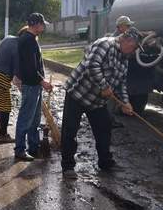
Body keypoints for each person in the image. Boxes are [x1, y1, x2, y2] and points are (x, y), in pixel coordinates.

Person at [60, 27, 142, 179]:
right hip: (78, 94)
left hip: (97, 102)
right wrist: (104, 86)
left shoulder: (125, 59)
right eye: (135, 46)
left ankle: (105, 162)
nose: (134, 50)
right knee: (70, 131)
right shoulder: (105, 44)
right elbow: (92, 65)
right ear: (126, 40)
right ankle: (68, 166)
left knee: (104, 128)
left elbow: (121, 83)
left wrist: (125, 102)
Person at [14, 13, 53, 161]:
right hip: (31, 85)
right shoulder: (28, 41)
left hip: (34, 85)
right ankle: (20, 149)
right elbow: (30, 66)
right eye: (42, 24)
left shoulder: (30, 39)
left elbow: (33, 64)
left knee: (35, 119)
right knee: (25, 118)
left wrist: (41, 81)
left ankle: (34, 147)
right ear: (36, 24)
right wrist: (42, 81)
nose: (43, 27)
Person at [108, 15, 135, 128]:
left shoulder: (125, 39)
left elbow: (122, 81)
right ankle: (108, 121)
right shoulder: (113, 42)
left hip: (113, 79)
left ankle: (109, 119)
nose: (129, 28)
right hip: (108, 79)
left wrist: (125, 102)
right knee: (108, 99)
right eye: (127, 26)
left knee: (111, 97)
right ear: (120, 27)